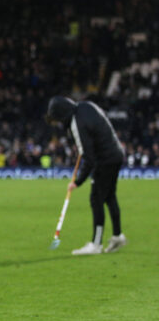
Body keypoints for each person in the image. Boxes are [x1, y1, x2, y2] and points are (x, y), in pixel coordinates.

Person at [46, 96, 127, 255]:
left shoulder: (76, 122)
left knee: (96, 199)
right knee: (109, 196)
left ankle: (96, 244)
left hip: (105, 159)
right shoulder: (87, 105)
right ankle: (118, 236)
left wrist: (77, 181)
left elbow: (89, 158)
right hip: (116, 153)